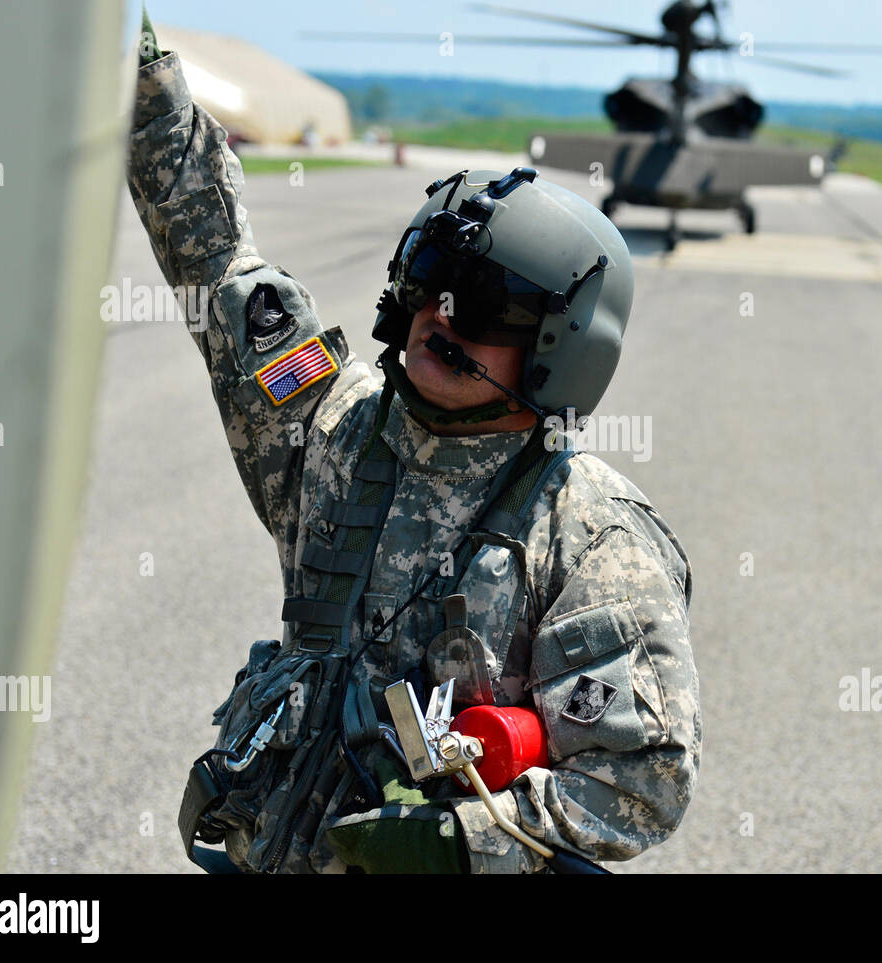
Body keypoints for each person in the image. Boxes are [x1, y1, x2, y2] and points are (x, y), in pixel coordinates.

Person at [129, 16, 700, 874]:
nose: (440, 316)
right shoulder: (331, 426)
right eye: (429, 286)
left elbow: (639, 780)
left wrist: (451, 843)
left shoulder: (593, 535)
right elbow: (214, 256)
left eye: (482, 307)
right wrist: (133, 66)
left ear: (560, 346)